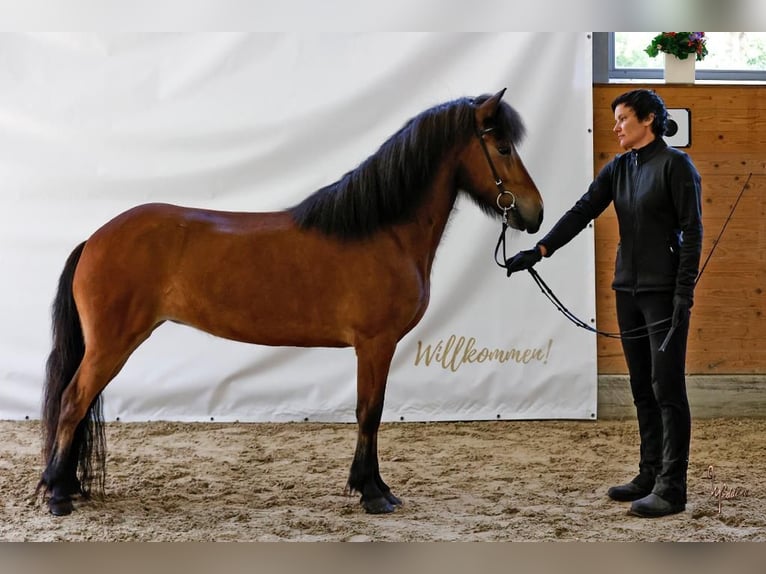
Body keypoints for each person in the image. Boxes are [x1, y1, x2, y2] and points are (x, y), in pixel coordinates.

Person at [505, 88, 702, 518]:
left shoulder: (676, 166)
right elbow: (582, 211)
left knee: (667, 389)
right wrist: (540, 251)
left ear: (648, 120)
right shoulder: (618, 168)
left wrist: (684, 293)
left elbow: (693, 232)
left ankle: (673, 488)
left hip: (664, 293)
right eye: (615, 120)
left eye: (623, 119)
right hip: (626, 290)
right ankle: (649, 474)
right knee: (640, 386)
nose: (615, 127)